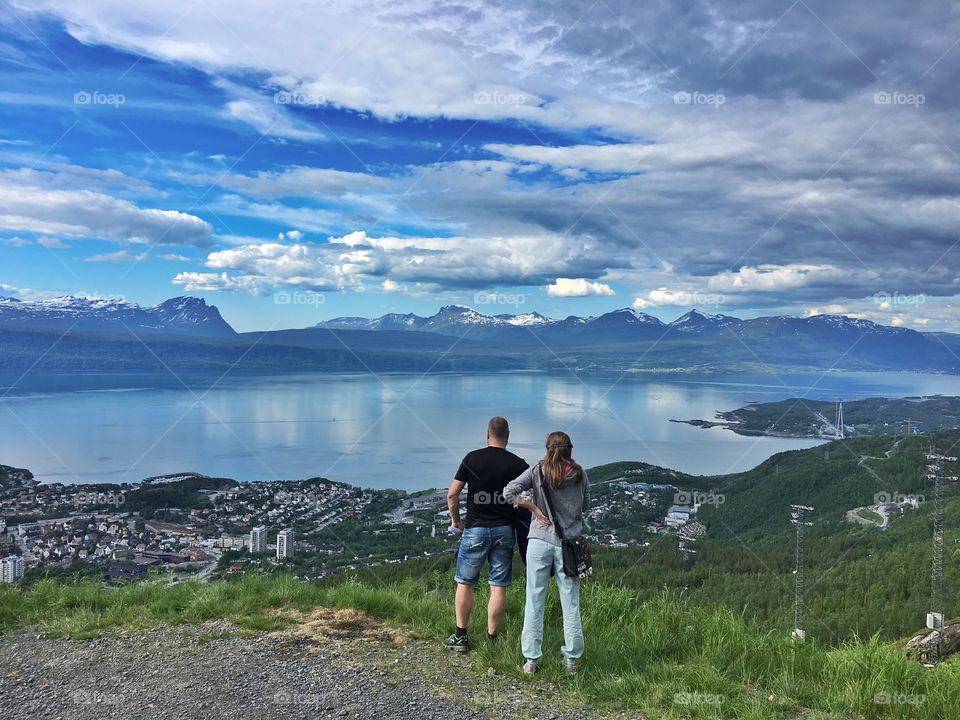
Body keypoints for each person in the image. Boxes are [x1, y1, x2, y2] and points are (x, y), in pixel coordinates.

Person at [503, 430, 589, 675]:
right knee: (570, 602)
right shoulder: (580, 474)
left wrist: (533, 508)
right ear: (570, 449)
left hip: (539, 540)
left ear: (548, 449)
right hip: (568, 545)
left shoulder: (537, 471)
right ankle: (571, 661)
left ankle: (531, 660)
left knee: (534, 599)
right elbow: (585, 506)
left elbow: (508, 492)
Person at [443, 416, 529, 652]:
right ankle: (492, 640)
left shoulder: (472, 458)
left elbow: (452, 495)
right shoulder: (518, 464)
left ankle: (461, 637)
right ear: (508, 436)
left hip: (475, 529)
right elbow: (531, 495)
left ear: (487, 434)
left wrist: (456, 522)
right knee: (498, 586)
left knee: (464, 582)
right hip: (505, 530)